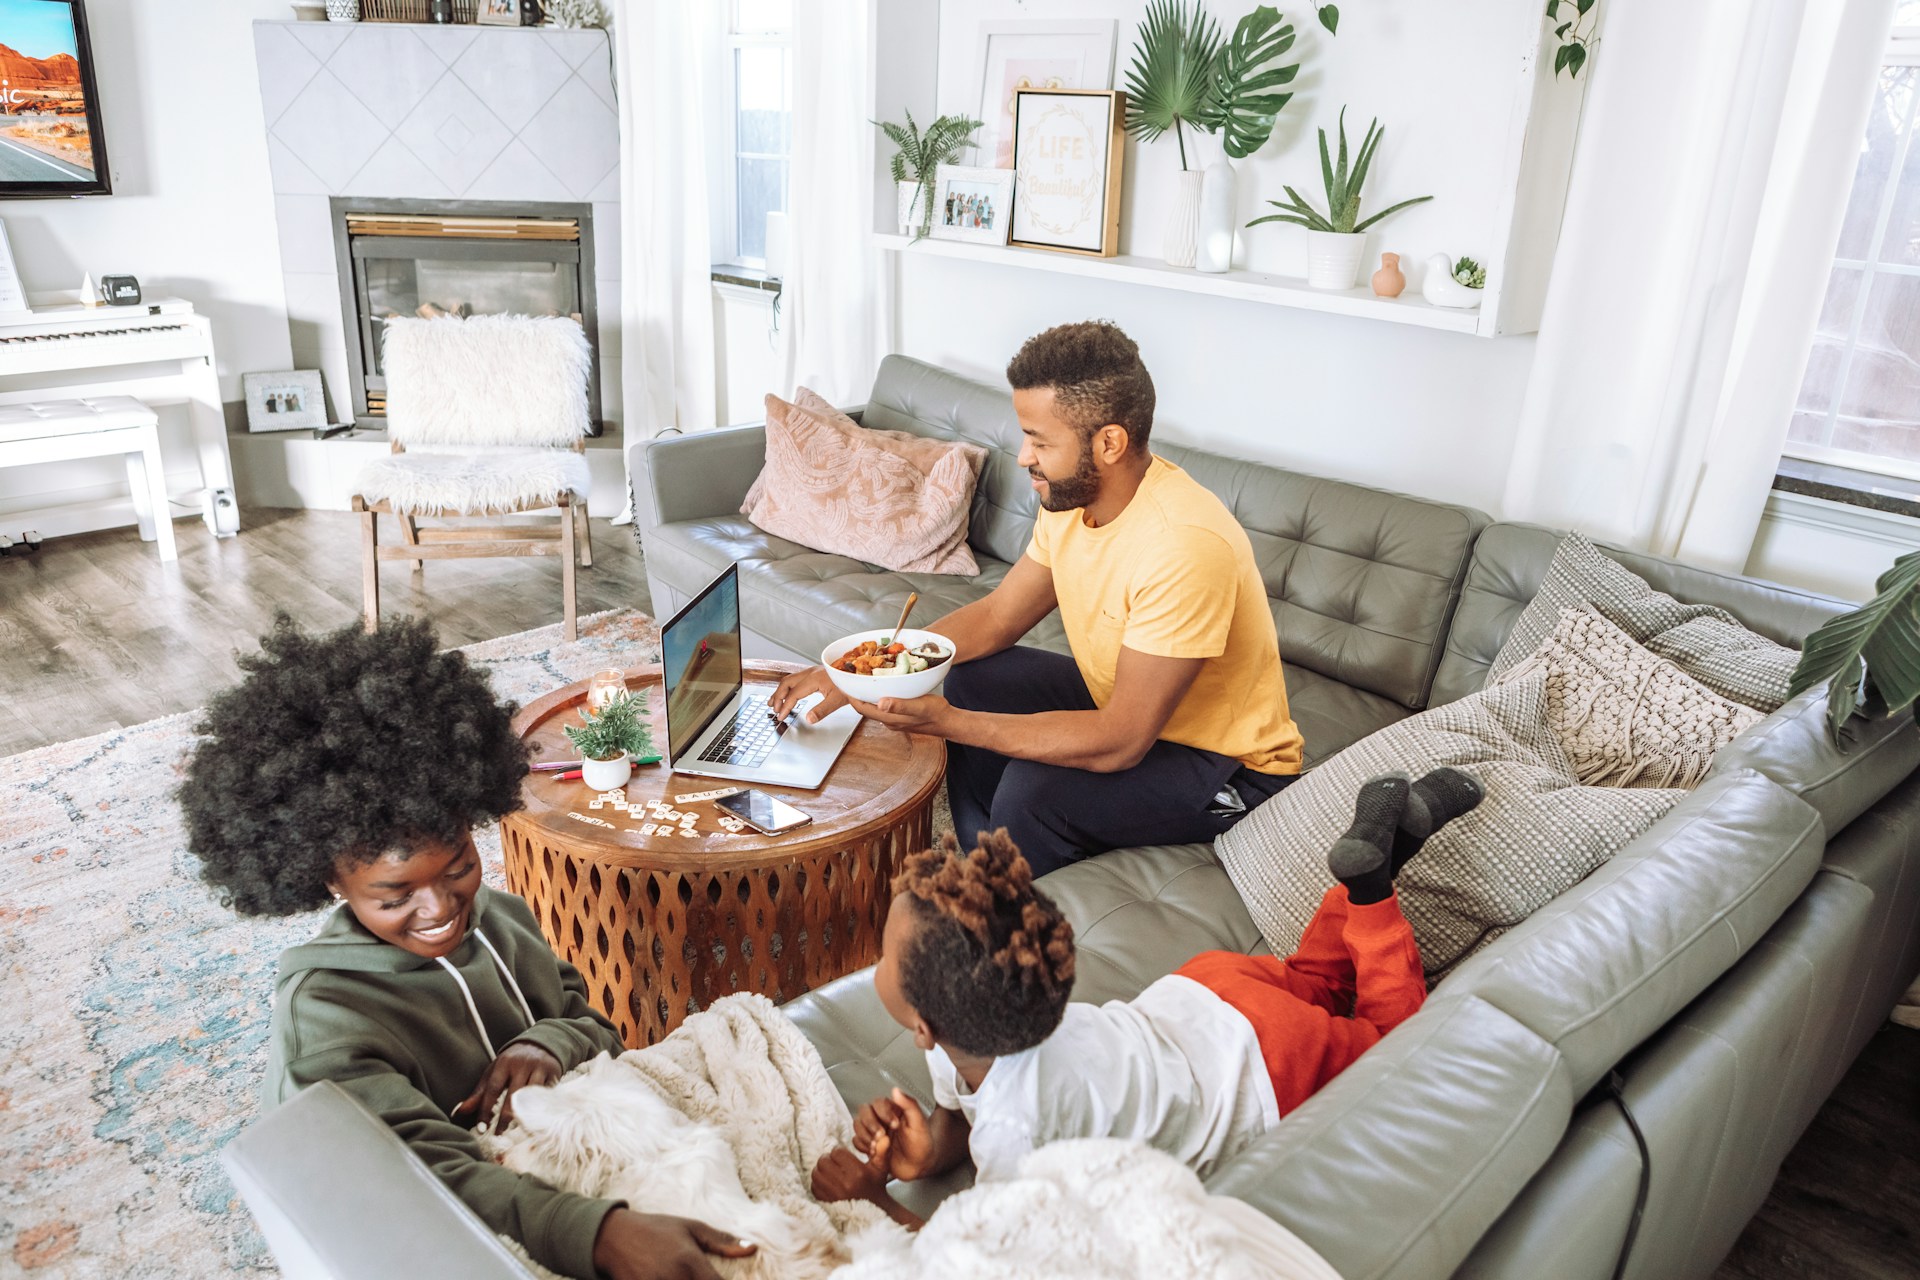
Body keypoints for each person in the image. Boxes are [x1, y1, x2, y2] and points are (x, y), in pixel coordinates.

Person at [179, 616, 757, 1280]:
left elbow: (593, 1027)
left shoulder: (502, 919)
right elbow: (414, 1180)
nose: (442, 908)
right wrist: (597, 1235)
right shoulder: (327, 1015)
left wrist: (544, 1044)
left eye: (457, 866)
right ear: (329, 878)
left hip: (578, 1166)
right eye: (396, 896)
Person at [808, 769, 1482, 1228]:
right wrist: (928, 1154)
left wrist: (875, 1202)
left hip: (1261, 1066)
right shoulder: (987, 1016)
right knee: (1316, 978)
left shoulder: (1010, 1118)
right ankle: (1379, 860)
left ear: (922, 1026)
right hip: (1209, 991)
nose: (877, 962)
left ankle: (1371, 892)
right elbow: (958, 1117)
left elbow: (979, 1260)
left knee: (1390, 1046)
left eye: (885, 958)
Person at [771, 320, 1306, 877]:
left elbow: (1121, 740)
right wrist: (861, 670)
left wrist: (947, 722)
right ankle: (993, 865)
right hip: (1126, 706)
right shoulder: (1072, 500)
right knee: (972, 675)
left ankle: (1019, 902)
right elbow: (999, 617)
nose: (1023, 455)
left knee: (1033, 790)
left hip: (1228, 768)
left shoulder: (1183, 545)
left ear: (1109, 443)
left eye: (1041, 440)